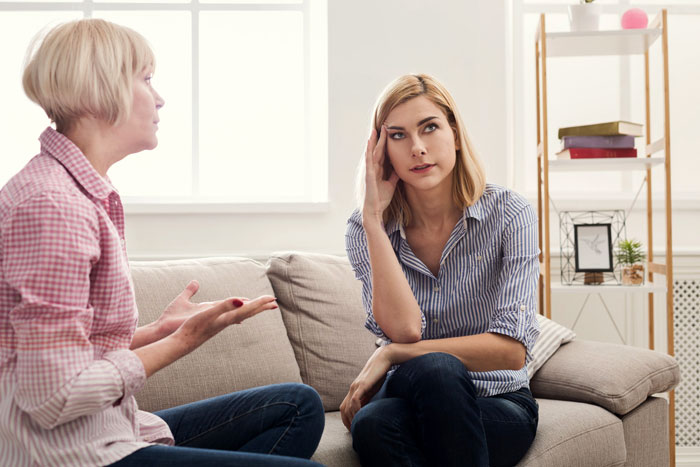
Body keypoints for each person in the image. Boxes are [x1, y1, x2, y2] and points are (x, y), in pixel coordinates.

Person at [0, 19, 324, 467]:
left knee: (296, 405)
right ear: (101, 89)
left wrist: (156, 332)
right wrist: (184, 341)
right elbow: (52, 397)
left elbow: (65, 351)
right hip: (69, 454)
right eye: (146, 79)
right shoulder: (54, 207)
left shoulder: (80, 192)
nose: (159, 98)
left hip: (105, 430)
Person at [341, 74, 540, 467]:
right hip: (408, 393)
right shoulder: (363, 229)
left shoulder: (510, 214)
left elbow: (512, 351)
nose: (417, 148)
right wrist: (374, 221)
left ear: (455, 133)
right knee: (379, 418)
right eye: (397, 136)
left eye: (429, 128)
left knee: (382, 421)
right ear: (381, 152)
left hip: (498, 401)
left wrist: (393, 354)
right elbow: (406, 330)